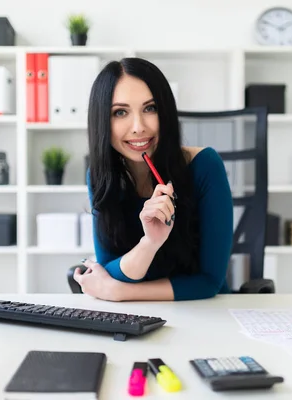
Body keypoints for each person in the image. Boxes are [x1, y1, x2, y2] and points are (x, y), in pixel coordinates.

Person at [72, 57, 234, 301]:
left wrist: (120, 292)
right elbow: (108, 270)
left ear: (165, 112)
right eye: (120, 112)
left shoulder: (205, 165)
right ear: (102, 121)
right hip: (135, 316)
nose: (138, 127)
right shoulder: (100, 177)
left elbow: (209, 282)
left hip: (203, 313)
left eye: (150, 108)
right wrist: (149, 243)